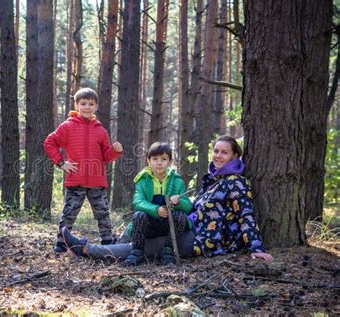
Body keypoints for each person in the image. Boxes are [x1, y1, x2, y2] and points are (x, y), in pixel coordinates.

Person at [61, 136, 273, 264]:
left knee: (147, 245)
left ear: (235, 157)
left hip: (202, 240)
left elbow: (246, 215)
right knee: (140, 222)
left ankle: (86, 249)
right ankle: (112, 246)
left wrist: (256, 248)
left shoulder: (236, 182)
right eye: (216, 151)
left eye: (224, 153)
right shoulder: (215, 180)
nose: (218, 156)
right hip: (187, 227)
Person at [44, 87, 123, 254]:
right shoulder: (67, 127)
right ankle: (61, 242)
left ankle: (108, 240)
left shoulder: (100, 130)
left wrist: (115, 151)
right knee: (69, 212)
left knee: (102, 213)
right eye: (83, 103)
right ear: (76, 105)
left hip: (97, 181)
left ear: (96, 106)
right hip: (75, 180)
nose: (87, 107)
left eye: (91, 104)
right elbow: (49, 142)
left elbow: (106, 157)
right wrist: (61, 163)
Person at [123, 142, 193, 266]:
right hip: (149, 224)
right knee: (139, 215)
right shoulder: (142, 180)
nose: (159, 163)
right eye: (155, 159)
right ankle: (137, 252)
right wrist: (156, 210)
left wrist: (178, 202)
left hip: (169, 225)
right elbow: (138, 202)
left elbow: (188, 206)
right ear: (148, 161)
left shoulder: (177, 181)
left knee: (181, 216)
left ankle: (168, 251)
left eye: (164, 159)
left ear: (170, 162)